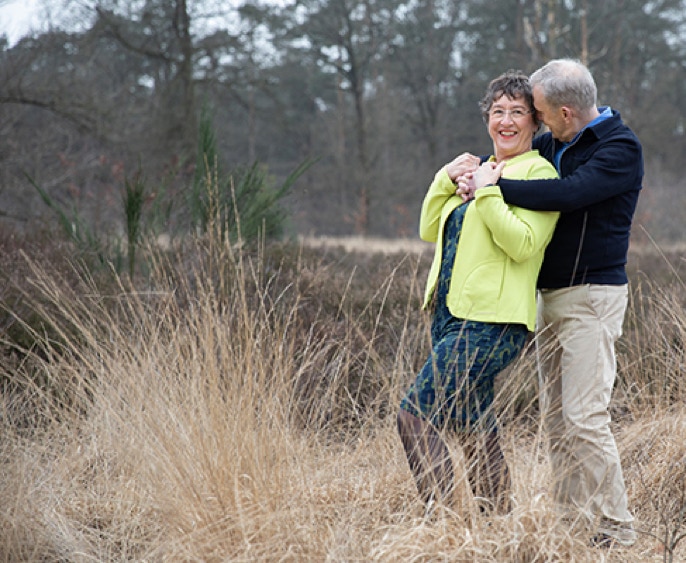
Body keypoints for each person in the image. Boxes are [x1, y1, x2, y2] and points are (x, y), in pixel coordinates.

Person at [458, 59, 643, 547]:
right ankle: (572, 525)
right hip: (548, 298)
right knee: (557, 421)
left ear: (564, 112)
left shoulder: (619, 148)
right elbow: (513, 156)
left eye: (536, 112)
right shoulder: (554, 142)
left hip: (592, 298)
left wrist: (495, 186)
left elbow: (569, 193)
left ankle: (617, 530)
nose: (532, 122)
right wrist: (475, 172)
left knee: (585, 417)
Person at [396, 70, 559, 515]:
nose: (506, 121)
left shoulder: (538, 173)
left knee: (414, 415)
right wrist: (444, 180)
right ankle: (496, 528)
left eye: (518, 112)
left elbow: (524, 243)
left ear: (535, 122)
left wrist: (488, 195)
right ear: (487, 117)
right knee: (472, 425)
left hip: (492, 323)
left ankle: (447, 525)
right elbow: (432, 228)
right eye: (497, 111)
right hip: (450, 317)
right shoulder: (481, 170)